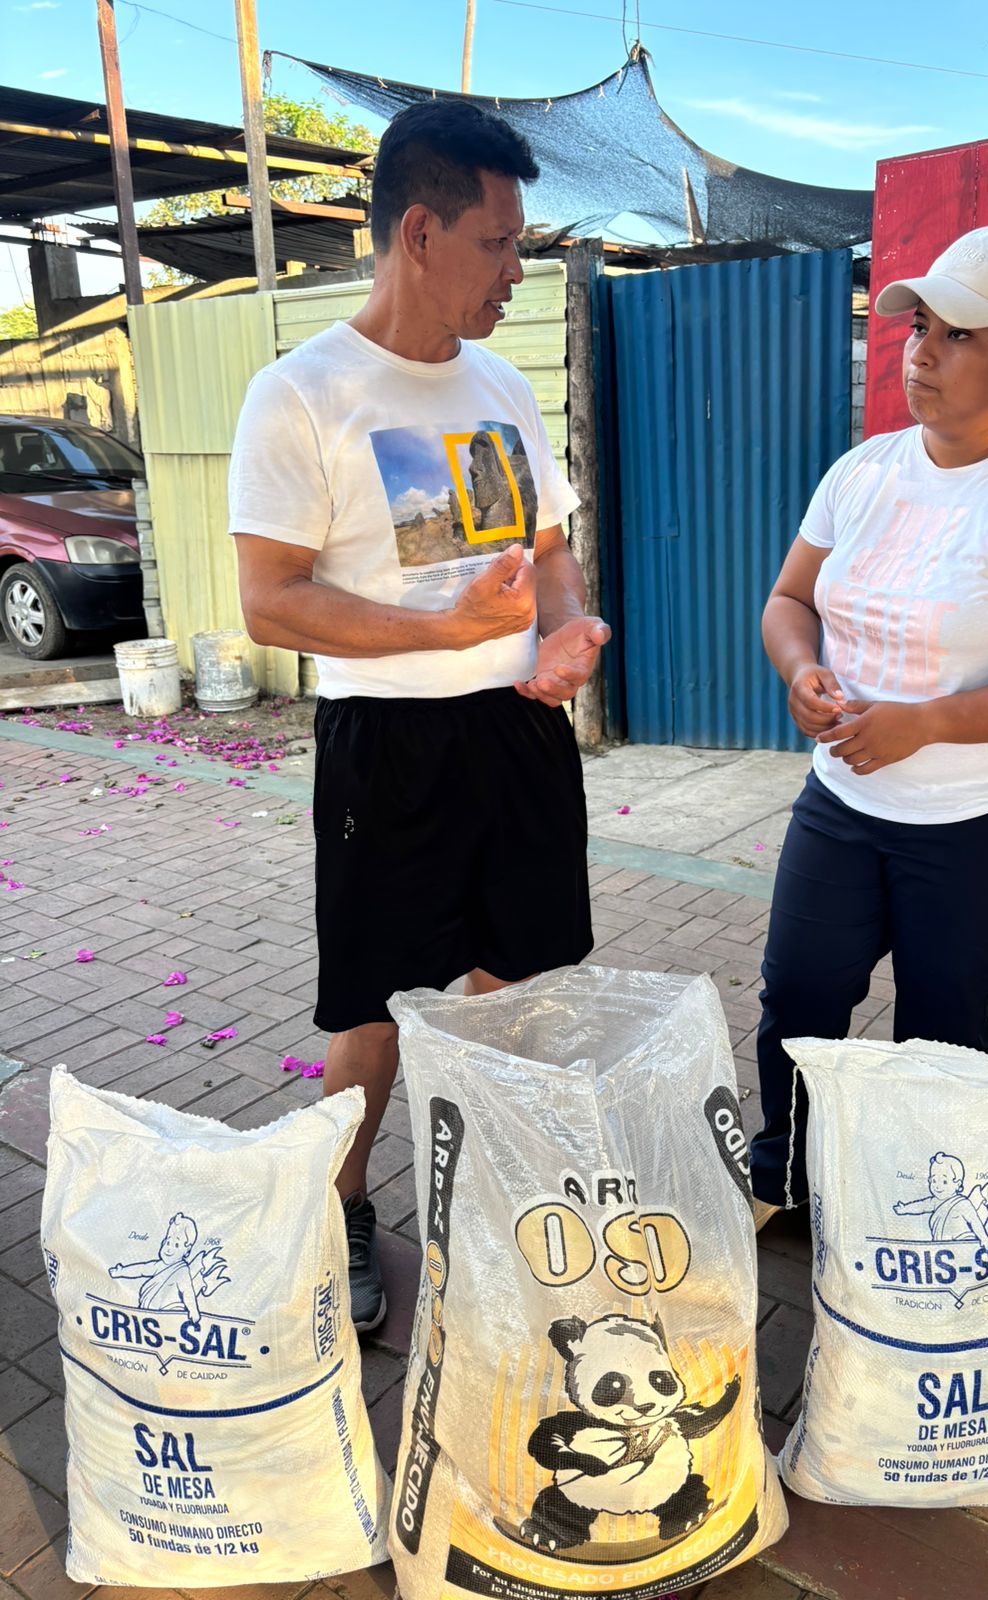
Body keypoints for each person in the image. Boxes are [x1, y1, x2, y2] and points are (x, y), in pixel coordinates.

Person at [228, 101, 609, 1330]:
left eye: (520, 244)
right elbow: (271, 600)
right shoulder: (301, 394)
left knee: (515, 989)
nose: (515, 269)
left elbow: (547, 551)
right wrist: (442, 635)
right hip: (387, 744)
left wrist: (565, 628)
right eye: (498, 243)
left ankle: (498, 1205)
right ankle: (341, 1201)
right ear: (420, 232)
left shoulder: (500, 383)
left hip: (518, 734)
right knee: (373, 1011)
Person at [750, 226, 988, 1228]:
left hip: (983, 825)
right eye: (919, 325)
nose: (920, 352)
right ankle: (785, 1180)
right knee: (799, 997)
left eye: (958, 334)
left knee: (940, 1034)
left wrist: (928, 723)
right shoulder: (864, 471)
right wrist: (802, 671)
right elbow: (789, 601)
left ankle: (917, 1212)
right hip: (844, 802)